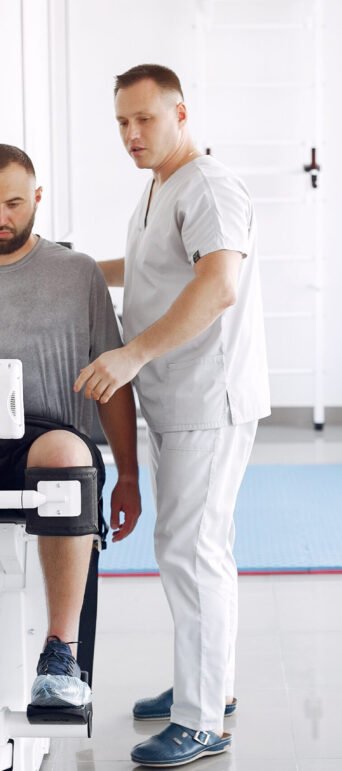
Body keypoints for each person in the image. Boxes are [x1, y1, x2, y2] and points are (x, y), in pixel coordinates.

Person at [74, 63, 270, 766]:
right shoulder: (162, 185)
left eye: (145, 119)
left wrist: (131, 355)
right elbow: (152, 265)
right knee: (189, 549)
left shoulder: (210, 187)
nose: (131, 133)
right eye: (122, 122)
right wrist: (73, 268)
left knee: (193, 553)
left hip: (206, 400)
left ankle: (202, 718)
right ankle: (208, 685)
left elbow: (218, 286)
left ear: (181, 115)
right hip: (177, 400)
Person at [0, 144, 141, 709]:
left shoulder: (75, 274)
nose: (1, 218)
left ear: (37, 199)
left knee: (63, 455)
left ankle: (61, 651)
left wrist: (127, 474)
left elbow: (114, 382)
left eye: (13, 203)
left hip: (45, 436)